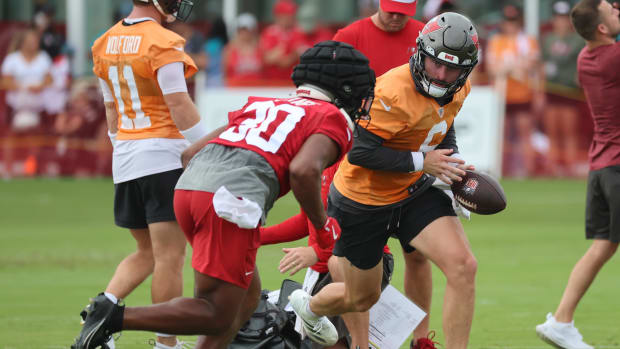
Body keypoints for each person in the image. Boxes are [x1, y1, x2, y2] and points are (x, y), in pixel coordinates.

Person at [72, 40, 376, 349]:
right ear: (346, 89)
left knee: (244, 303)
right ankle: (111, 316)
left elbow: (190, 154)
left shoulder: (261, 104)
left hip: (190, 190)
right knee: (215, 312)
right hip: (230, 202)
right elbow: (304, 171)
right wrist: (323, 228)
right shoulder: (334, 118)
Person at [290, 13, 480, 349]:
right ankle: (310, 305)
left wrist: (450, 168)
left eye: (451, 69)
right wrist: (425, 162)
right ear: (420, 52)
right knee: (362, 297)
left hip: (412, 191)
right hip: (363, 200)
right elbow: (360, 152)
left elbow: (441, 124)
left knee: (463, 266)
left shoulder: (459, 87)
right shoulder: (390, 90)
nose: (441, 74)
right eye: (435, 64)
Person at [79, 0, 211, 348]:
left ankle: (98, 314)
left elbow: (110, 108)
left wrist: (123, 150)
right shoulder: (162, 40)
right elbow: (178, 104)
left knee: (147, 253)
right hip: (162, 155)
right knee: (170, 256)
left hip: (126, 156)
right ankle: (167, 344)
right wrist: (210, 147)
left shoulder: (103, 42)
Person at [333, 1, 439, 347]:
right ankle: (359, 342)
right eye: (391, 9)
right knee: (351, 260)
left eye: (403, 12)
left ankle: (421, 338)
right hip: (361, 155)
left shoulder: (428, 34)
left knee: (418, 254)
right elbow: (331, 89)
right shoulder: (351, 35)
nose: (396, 18)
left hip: (409, 162)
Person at [535, 1, 620, 348]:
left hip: (601, 166)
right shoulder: (613, 58)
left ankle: (562, 320)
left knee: (603, 246)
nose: (617, 10)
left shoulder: (586, 57)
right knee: (603, 246)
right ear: (601, 28)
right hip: (617, 166)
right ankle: (561, 321)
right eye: (612, 11)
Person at [259, 161, 394, 349]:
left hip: (362, 263)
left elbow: (360, 226)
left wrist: (317, 252)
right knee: (326, 342)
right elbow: (305, 220)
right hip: (322, 271)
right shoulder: (315, 165)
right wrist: (256, 237)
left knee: (335, 264)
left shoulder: (353, 161)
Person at [486, 4, 545, 177]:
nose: (510, 25)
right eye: (507, 21)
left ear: (519, 21)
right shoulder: (496, 40)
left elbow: (532, 64)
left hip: (522, 94)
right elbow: (492, 68)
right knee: (501, 134)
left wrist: (508, 67)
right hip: (501, 95)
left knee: (524, 134)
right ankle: (502, 169)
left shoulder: (527, 40)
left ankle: (527, 170)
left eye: (513, 21)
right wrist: (514, 66)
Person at [540, 1, 585, 177]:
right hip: (551, 90)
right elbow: (542, 64)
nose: (561, 22)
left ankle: (570, 167)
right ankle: (553, 168)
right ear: (553, 19)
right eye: (558, 18)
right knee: (552, 132)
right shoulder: (548, 38)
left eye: (564, 18)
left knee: (569, 132)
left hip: (569, 91)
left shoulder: (577, 39)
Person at [0, 28, 52, 178]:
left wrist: (39, 86)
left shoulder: (43, 58)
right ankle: (8, 170)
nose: (33, 44)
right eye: (30, 41)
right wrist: (23, 87)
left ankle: (33, 168)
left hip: (37, 105)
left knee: (36, 138)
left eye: (35, 41)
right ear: (22, 43)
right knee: (11, 138)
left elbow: (49, 79)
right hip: (17, 105)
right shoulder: (13, 59)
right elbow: (5, 80)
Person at [259, 0, 304, 85]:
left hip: (294, 82)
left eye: (292, 14)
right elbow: (267, 59)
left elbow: (302, 54)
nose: (291, 17)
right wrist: (289, 54)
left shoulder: (299, 31)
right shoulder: (270, 33)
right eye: (288, 14)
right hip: (272, 82)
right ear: (279, 16)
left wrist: (289, 56)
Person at [222, 13, 263, 86]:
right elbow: (225, 73)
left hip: (256, 90)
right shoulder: (229, 50)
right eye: (241, 30)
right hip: (236, 91)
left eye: (247, 30)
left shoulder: (260, 48)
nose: (245, 33)